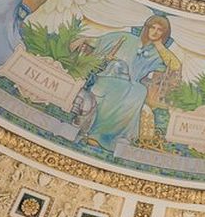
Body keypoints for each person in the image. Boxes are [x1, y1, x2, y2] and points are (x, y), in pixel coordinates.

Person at [74, 15, 181, 150]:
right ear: (146, 28)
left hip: (131, 85)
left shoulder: (157, 53)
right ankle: (97, 134)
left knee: (140, 91)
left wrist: (159, 45)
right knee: (124, 88)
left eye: (160, 30)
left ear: (164, 34)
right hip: (108, 77)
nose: (155, 32)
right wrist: (82, 39)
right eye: (152, 27)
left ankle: (118, 138)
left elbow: (175, 65)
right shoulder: (127, 38)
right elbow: (98, 42)